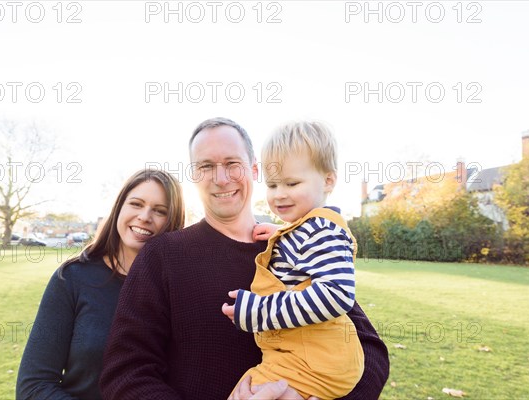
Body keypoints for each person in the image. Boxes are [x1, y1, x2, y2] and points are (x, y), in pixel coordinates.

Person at [100, 118, 389, 400]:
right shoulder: (162, 256)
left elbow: (370, 348)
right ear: (193, 176)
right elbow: (126, 373)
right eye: (206, 166)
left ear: (254, 169)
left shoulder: (293, 244)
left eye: (232, 164)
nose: (221, 178)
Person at [222, 121, 364, 399]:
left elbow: (337, 295)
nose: (279, 194)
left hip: (313, 362)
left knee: (246, 393)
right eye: (272, 185)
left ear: (328, 180)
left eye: (292, 183)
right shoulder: (307, 230)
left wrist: (258, 311)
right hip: (303, 357)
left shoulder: (323, 229)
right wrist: (283, 233)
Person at [16, 169, 185, 399]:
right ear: (119, 208)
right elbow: (33, 386)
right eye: (136, 204)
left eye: (160, 211)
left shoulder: (182, 289)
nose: (145, 216)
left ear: (173, 221)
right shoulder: (72, 278)